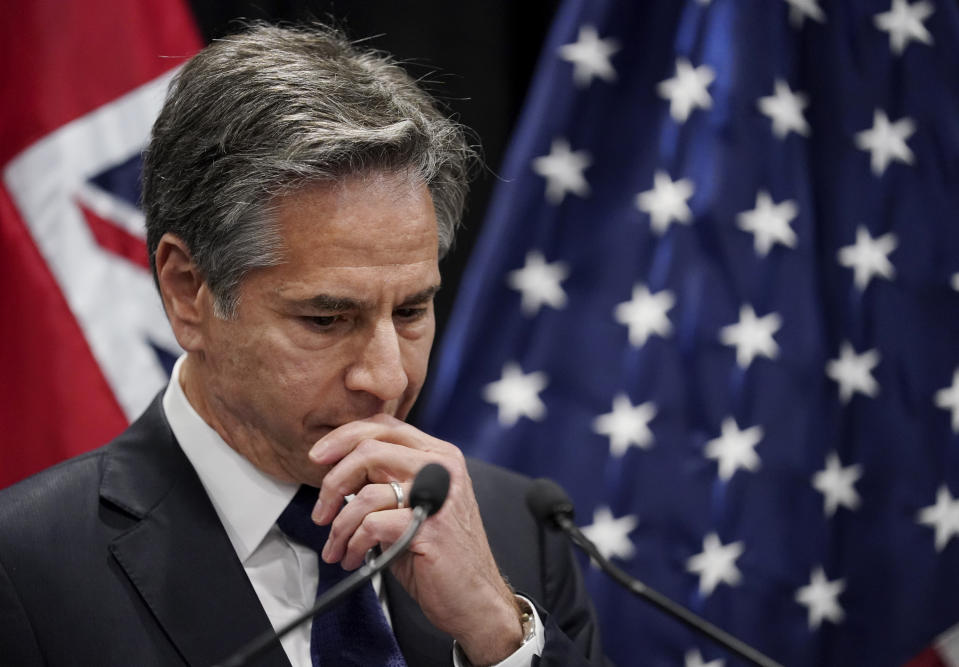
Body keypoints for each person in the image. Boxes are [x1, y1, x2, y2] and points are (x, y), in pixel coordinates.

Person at [0, 22, 607, 667]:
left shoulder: (515, 533)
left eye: (410, 311)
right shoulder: (25, 566)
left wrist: (498, 637)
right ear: (186, 292)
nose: (387, 379)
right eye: (326, 319)